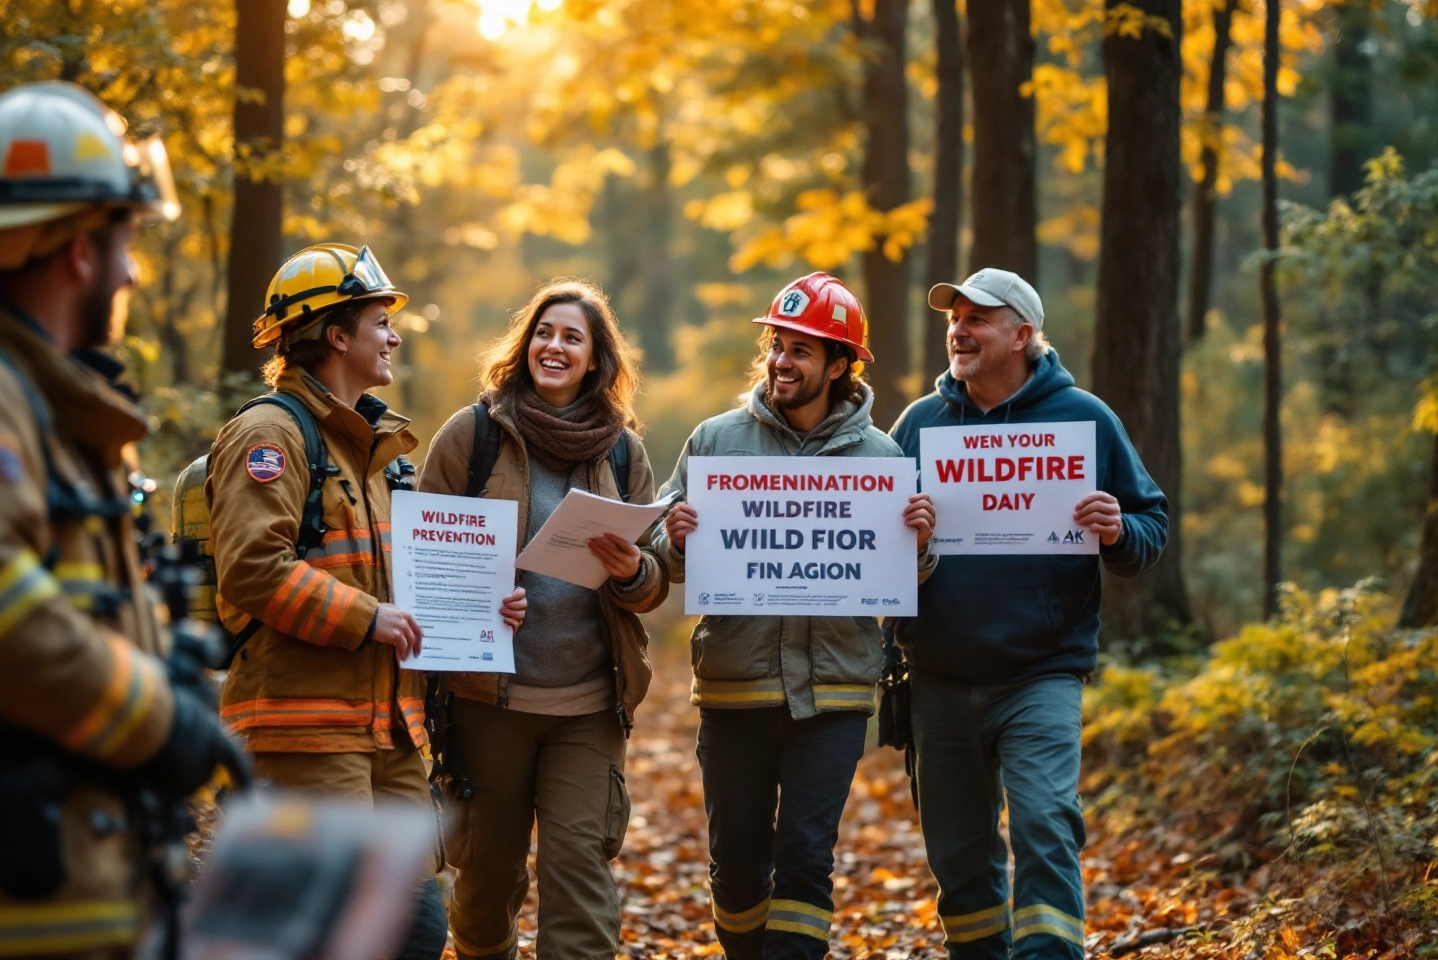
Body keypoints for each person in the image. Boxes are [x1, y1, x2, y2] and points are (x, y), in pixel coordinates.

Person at [0, 82, 244, 955]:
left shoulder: (53, 408)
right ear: (78, 249)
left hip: (79, 883)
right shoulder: (6, 399)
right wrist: (161, 718)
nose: (134, 273)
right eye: (127, 242)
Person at [206, 243, 485, 960]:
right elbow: (253, 568)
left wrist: (478, 613)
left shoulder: (380, 453)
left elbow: (403, 583)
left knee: (417, 931)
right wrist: (370, 619)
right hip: (304, 732)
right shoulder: (269, 435)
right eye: (380, 323)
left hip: (389, 732)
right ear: (336, 336)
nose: (394, 338)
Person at [652, 273, 937, 960]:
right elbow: (661, 552)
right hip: (735, 687)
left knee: (807, 857)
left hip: (836, 695)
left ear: (839, 366)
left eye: (800, 350)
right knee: (738, 864)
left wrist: (921, 546)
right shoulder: (714, 443)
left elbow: (906, 578)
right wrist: (676, 537)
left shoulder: (882, 459)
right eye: (777, 345)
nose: (781, 361)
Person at [888, 269, 1169, 960]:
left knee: (1045, 824)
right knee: (957, 852)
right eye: (954, 319)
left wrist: (1117, 530)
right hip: (937, 676)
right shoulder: (920, 424)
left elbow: (1150, 528)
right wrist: (903, 534)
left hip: (1042, 673)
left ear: (1021, 334)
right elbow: (871, 545)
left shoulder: (1086, 419)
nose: (958, 330)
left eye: (976, 319)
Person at [418, 279, 667, 960]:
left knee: (579, 872)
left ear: (595, 360)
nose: (554, 346)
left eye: (572, 338)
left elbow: (651, 583)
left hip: (588, 704)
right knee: (486, 881)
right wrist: (479, 599)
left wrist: (631, 572)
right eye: (544, 333)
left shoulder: (623, 452)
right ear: (525, 344)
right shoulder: (472, 436)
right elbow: (421, 560)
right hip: (488, 703)